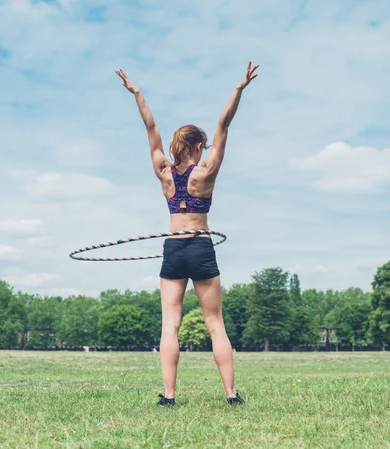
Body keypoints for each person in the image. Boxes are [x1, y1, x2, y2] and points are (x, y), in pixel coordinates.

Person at [116, 62, 259, 406]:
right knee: (215, 324)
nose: (206, 148)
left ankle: (169, 396)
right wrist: (238, 89)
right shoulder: (206, 173)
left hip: (174, 248)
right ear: (197, 146)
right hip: (201, 246)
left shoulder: (163, 171)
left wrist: (137, 93)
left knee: (171, 324)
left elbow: (149, 125)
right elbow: (225, 124)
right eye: (204, 145)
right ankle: (231, 394)